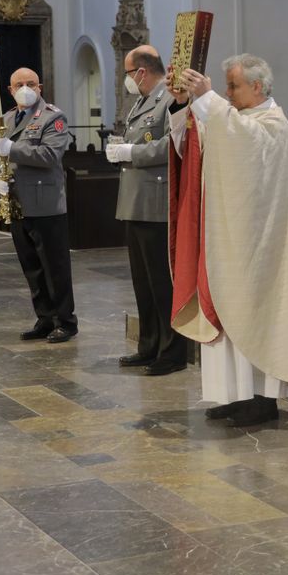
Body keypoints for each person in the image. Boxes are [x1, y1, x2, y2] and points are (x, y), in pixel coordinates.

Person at [166, 54, 288, 427]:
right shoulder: (236, 119)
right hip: (227, 235)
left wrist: (208, 98)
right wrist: (184, 102)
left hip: (256, 245)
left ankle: (262, 399)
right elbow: (192, 145)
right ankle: (234, 394)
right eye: (226, 86)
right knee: (225, 308)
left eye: (233, 86)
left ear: (257, 87)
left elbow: (243, 141)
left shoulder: (273, 123)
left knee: (250, 310)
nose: (227, 92)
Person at [106, 45, 188, 375]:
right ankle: (149, 345)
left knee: (160, 282)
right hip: (135, 202)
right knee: (142, 282)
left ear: (141, 71)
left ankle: (172, 352)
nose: (126, 80)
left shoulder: (169, 99)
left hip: (156, 203)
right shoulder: (141, 101)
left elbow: (173, 144)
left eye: (128, 73)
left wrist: (131, 152)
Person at [0, 68, 79, 344]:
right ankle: (45, 318)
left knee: (54, 267)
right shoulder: (9, 118)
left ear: (40, 87)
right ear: (10, 90)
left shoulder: (53, 117)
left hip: (45, 204)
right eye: (19, 84)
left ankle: (66, 321)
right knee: (33, 268)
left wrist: (12, 149)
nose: (26, 88)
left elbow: (49, 155)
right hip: (16, 204)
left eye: (31, 83)